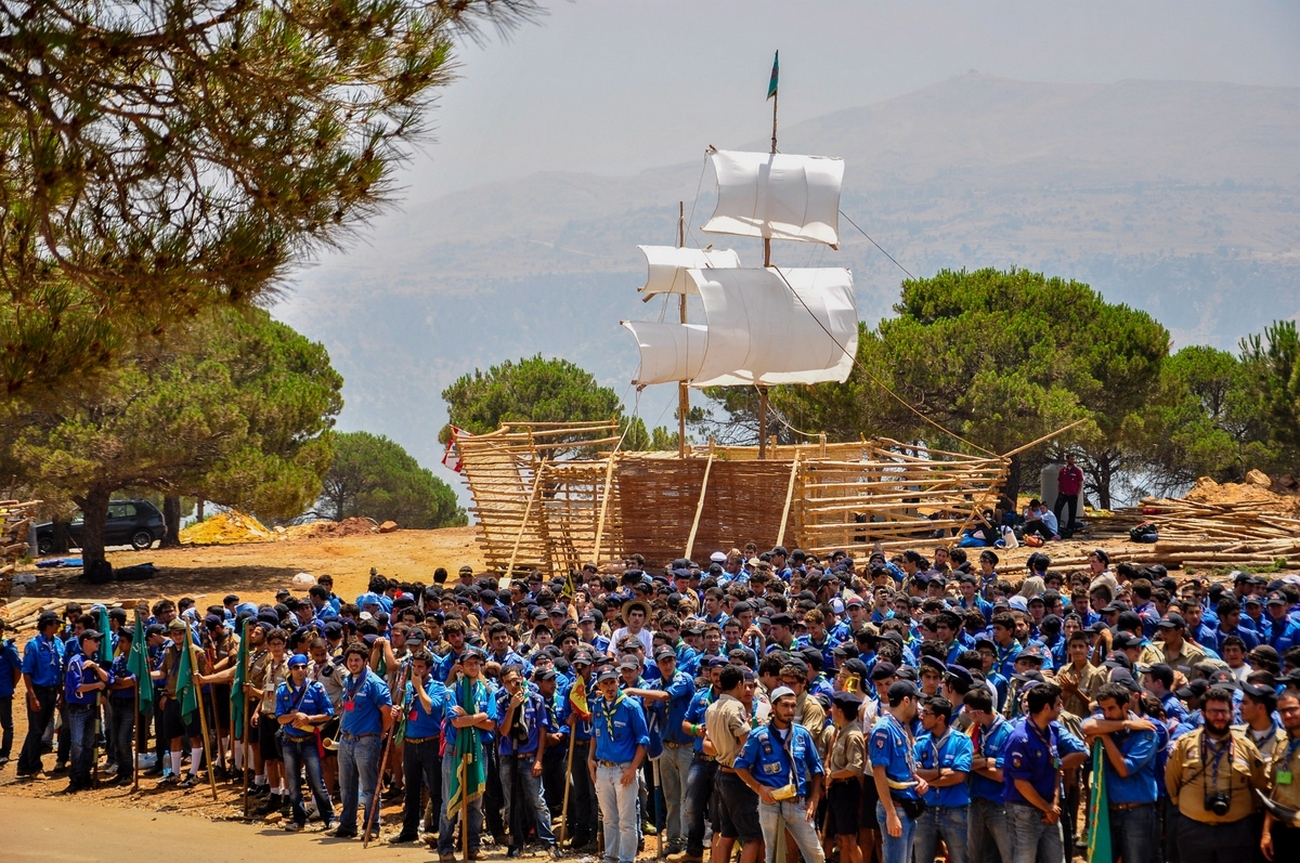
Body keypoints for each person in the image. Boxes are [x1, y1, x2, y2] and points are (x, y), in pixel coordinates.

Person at [1166, 686, 1271, 863]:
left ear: (1232, 712)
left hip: (1237, 833)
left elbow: (1259, 786)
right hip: (1193, 830)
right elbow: (1172, 783)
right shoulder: (1185, 744)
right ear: (1203, 713)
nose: (1219, 717)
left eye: (1223, 711)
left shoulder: (1246, 747)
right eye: (1213, 711)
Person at [733, 685, 826, 863]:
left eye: (793, 706)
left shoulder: (802, 734)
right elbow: (740, 766)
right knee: (772, 855)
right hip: (770, 802)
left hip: (797, 803)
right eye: (785, 705)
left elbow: (816, 767)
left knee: (816, 855)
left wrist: (814, 799)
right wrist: (759, 788)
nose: (790, 710)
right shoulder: (759, 736)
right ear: (773, 708)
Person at [1083, 682, 1160, 863]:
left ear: (1125, 706)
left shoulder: (1146, 731)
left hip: (1136, 813)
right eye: (1103, 709)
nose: (1106, 714)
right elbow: (1086, 727)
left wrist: (1104, 735)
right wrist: (1124, 724)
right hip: (1107, 811)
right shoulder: (1107, 722)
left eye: (1111, 708)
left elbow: (1124, 769)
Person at [437, 646, 496, 862]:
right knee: (448, 799)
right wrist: (478, 717)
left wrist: (470, 716)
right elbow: (456, 722)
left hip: (479, 749)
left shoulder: (488, 690)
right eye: (469, 663)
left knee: (475, 802)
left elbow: (491, 725)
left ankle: (472, 845)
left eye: (477, 663)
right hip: (455, 749)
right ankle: (445, 847)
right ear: (461, 667)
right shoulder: (451, 691)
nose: (473, 666)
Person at [497, 662, 560, 858]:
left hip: (530, 756)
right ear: (503, 684)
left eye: (516, 680)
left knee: (538, 801)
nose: (513, 685)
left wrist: (539, 759)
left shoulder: (536, 700)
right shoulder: (500, 701)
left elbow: (542, 731)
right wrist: (512, 708)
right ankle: (516, 842)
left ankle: (549, 843)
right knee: (511, 803)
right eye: (508, 682)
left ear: (522, 679)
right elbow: (504, 731)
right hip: (508, 757)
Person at [332, 640, 393, 840]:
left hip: (366, 740)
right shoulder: (348, 681)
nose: (353, 663)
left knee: (368, 786)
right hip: (346, 740)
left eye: (357, 660)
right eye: (350, 660)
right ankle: (347, 824)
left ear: (366, 661)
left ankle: (371, 826)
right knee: (346, 786)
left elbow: (387, 713)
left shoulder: (375, 683)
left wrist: (380, 732)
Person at [588, 665, 649, 863]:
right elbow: (594, 735)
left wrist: (633, 769)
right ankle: (610, 856)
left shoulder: (631, 706)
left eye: (612, 681)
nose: (609, 686)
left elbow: (643, 740)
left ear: (618, 682)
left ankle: (626, 859)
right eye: (605, 683)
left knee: (627, 820)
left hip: (624, 768)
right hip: (603, 768)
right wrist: (590, 758)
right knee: (608, 818)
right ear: (599, 685)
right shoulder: (597, 706)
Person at [707, 663, 765, 863]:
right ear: (739, 684)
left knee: (727, 833)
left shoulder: (712, 708)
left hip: (721, 773)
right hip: (737, 778)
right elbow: (747, 744)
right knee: (753, 837)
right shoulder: (736, 707)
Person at [1003, 682, 1065, 863]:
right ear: (1047, 708)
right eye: (1058, 704)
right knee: (1024, 859)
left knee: (1056, 858)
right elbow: (1021, 783)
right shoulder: (1019, 738)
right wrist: (1048, 808)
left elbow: (1055, 767)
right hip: (1024, 811)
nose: (1061, 708)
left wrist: (1054, 804)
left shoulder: (1052, 730)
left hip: (1049, 809)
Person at [275, 652, 335, 832]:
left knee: (317, 781)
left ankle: (329, 819)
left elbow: (329, 713)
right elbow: (279, 718)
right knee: (293, 784)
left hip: (309, 740)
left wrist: (309, 718)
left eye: (303, 667)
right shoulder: (282, 690)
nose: (300, 671)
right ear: (290, 670)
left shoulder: (316, 688)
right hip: (290, 740)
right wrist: (294, 715)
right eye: (296, 667)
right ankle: (298, 820)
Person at [870, 679, 929, 863]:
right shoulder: (884, 729)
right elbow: (879, 772)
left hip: (908, 805)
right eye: (915, 700)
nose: (918, 706)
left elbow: (904, 766)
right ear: (906, 701)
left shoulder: (901, 727)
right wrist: (890, 813)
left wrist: (918, 780)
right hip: (896, 807)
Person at [391, 648, 444, 844]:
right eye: (414, 666)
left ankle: (440, 832)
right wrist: (397, 712)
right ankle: (409, 830)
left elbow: (430, 707)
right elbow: (405, 712)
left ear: (429, 668)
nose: (417, 670)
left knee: (436, 789)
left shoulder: (438, 687)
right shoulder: (407, 688)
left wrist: (419, 686)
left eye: (421, 667)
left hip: (431, 743)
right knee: (411, 790)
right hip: (410, 744)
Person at [913, 694, 973, 863]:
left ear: (940, 718)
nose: (921, 716)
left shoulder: (962, 741)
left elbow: (959, 776)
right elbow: (914, 773)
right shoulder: (921, 742)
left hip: (955, 811)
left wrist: (927, 778)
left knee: (960, 859)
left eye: (926, 713)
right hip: (926, 810)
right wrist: (942, 773)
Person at [965, 687, 1014, 863]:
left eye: (968, 711)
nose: (965, 714)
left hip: (998, 805)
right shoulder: (975, 730)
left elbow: (1000, 775)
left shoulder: (1006, 733)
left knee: (1007, 854)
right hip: (976, 801)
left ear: (978, 712)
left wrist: (972, 765)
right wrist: (985, 762)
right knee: (975, 856)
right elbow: (961, 762)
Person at [16, 612, 64, 777]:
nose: (58, 626)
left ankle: (23, 764)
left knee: (38, 729)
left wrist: (61, 693)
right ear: (48, 624)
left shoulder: (58, 643)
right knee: (36, 730)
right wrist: (33, 697)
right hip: (38, 691)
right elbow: (27, 672)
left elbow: (59, 669)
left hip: (52, 691)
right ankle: (35, 766)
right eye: (56, 623)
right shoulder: (33, 645)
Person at [63, 629, 110, 793]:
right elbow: (77, 687)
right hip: (78, 710)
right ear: (85, 641)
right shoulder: (75, 662)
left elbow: (108, 679)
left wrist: (96, 668)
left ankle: (85, 775)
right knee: (77, 744)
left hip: (93, 709)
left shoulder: (94, 661)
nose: (98, 643)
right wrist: (96, 686)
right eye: (94, 640)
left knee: (90, 743)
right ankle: (75, 778)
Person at [824, 690, 866, 863]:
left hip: (847, 790)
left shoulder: (853, 735)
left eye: (833, 707)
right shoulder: (841, 731)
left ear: (840, 711)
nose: (831, 710)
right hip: (837, 790)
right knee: (841, 840)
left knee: (849, 839)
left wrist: (833, 775)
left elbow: (855, 767)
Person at [1260, 690, 1300, 861]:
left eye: (1293, 709)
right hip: (1283, 831)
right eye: (1283, 711)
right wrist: (1267, 832)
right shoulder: (1283, 744)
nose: (1288, 715)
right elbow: (1275, 791)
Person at [0, 618, 22, 767]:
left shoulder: (8, 648)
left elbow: (17, 669)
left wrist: (12, 686)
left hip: (3, 691)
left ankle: (4, 753)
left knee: (6, 723)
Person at [1054, 454, 1083, 536]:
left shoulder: (1077, 471)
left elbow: (1080, 484)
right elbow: (1059, 482)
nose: (1073, 461)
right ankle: (1056, 526)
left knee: (1072, 512)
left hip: (1073, 494)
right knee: (1057, 510)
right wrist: (1060, 491)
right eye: (1071, 459)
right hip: (1063, 494)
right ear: (1067, 460)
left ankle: (1070, 528)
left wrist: (1077, 494)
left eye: (1074, 459)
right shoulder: (1062, 470)